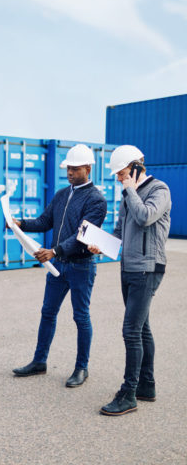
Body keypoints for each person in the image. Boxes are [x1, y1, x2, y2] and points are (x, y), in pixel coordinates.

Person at [11, 144, 107, 387]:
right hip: (58, 267)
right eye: (68, 168)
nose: (70, 172)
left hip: (81, 267)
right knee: (47, 313)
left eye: (75, 169)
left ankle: (81, 368)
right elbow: (44, 221)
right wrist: (19, 223)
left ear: (88, 168)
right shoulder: (62, 194)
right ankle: (39, 362)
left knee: (81, 317)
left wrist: (54, 251)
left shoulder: (96, 200)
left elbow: (82, 236)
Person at [88, 145, 171, 416]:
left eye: (122, 174)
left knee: (131, 331)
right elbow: (120, 230)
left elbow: (145, 217)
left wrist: (130, 189)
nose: (118, 179)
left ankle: (129, 394)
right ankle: (147, 385)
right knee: (142, 328)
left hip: (148, 269)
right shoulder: (127, 195)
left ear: (136, 168)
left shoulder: (160, 190)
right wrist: (101, 243)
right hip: (129, 268)